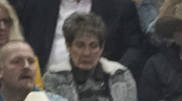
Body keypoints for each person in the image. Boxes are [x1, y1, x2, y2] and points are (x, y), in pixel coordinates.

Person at [42, 12, 138, 101]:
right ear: (68, 46)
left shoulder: (121, 74)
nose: (87, 53)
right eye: (80, 45)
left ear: (101, 47)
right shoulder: (53, 78)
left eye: (93, 46)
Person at [10, 0, 145, 75]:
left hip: (99, 89)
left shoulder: (119, 5)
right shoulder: (34, 3)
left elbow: (135, 47)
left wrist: (113, 74)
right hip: (40, 84)